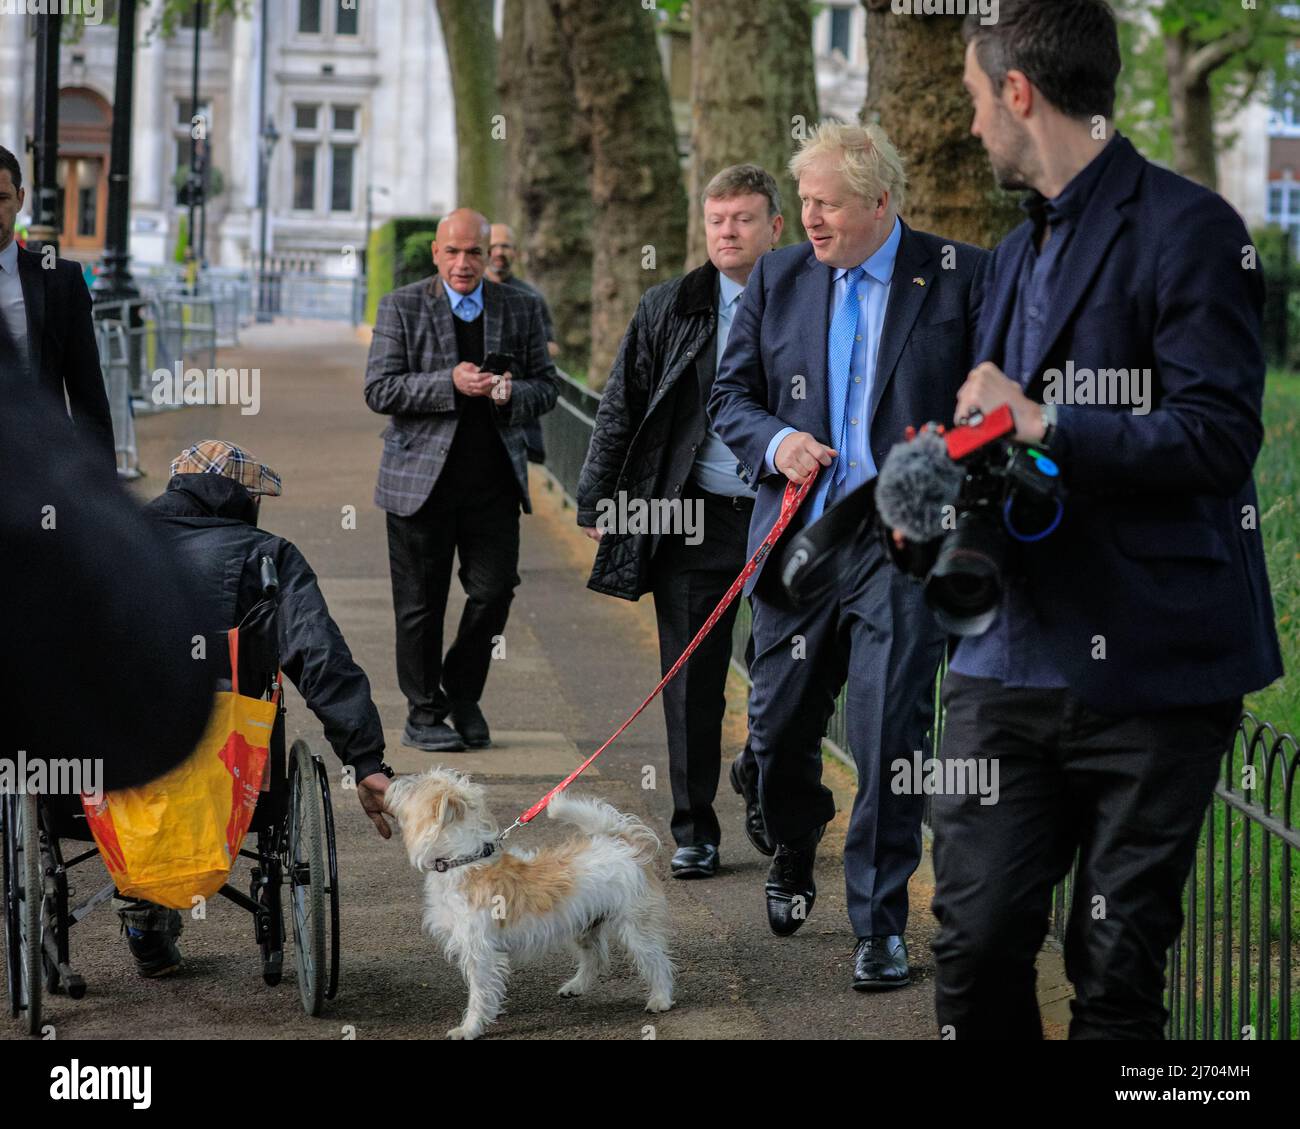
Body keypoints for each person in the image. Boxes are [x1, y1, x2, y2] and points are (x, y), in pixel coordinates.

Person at [924, 0, 1284, 1039]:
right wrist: (941, 467)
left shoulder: (1193, 228)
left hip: (1152, 668)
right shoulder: (1012, 249)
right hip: (1005, 660)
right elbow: (1009, 440)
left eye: (975, 101)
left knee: (1115, 971)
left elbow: (1217, 438)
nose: (972, 125)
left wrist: (1045, 420)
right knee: (977, 938)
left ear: (1020, 92)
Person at [709, 125, 985, 989]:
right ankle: (793, 841)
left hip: (900, 549)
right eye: (807, 202)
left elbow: (991, 408)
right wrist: (781, 439)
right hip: (802, 539)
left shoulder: (958, 276)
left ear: (879, 200)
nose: (811, 219)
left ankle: (880, 923)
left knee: (887, 735)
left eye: (826, 202)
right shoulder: (783, 276)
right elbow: (731, 394)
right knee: (779, 731)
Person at [119, 440, 395, 977]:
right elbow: (319, 655)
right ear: (243, 501)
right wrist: (366, 761)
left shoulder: (111, 540)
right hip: (234, 769)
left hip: (114, 764)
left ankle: (143, 917)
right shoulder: (268, 554)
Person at [577, 164, 784, 879]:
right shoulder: (671, 304)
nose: (728, 231)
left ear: (775, 228)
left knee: (790, 664)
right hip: (690, 515)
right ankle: (695, 828)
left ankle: (763, 773)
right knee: (691, 678)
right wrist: (603, 501)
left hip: (783, 513)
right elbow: (620, 404)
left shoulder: (809, 300)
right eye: (718, 220)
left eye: (744, 219)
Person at [365, 208, 558, 753]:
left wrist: (511, 394)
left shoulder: (519, 307)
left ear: (489, 253)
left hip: (493, 483)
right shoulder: (401, 306)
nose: (464, 263)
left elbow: (546, 387)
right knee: (420, 604)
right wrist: (449, 384)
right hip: (417, 485)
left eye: (474, 251)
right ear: (436, 254)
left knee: (495, 591)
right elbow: (380, 389)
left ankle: (462, 690)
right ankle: (423, 714)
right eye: (452, 251)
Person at [0, 145, 115, 476]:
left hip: (34, 468)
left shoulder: (61, 282)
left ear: (21, 199)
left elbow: (88, 398)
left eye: (1, 198)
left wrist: (103, 501)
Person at [487, 222, 559, 465]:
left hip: (517, 407)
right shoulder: (470, 292)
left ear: (515, 253)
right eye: (492, 246)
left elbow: (551, 345)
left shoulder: (531, 298)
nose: (499, 252)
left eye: (505, 246)